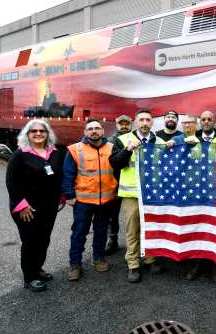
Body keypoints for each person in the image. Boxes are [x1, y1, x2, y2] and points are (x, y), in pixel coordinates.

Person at [6, 119, 65, 292]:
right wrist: (21, 205)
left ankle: (37, 268)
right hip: (26, 207)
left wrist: (61, 197)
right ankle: (30, 277)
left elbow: (59, 177)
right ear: (28, 134)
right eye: (34, 131)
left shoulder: (55, 153)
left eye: (42, 131)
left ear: (47, 134)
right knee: (31, 241)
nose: (38, 133)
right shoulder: (20, 154)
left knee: (44, 239)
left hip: (49, 206)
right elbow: (11, 182)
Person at [109, 109, 164, 283]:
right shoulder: (123, 139)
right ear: (136, 121)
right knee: (133, 229)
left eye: (148, 120)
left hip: (151, 194)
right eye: (141, 120)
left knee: (150, 227)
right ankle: (133, 264)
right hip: (131, 193)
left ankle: (150, 259)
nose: (145, 123)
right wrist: (127, 150)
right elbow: (115, 163)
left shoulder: (160, 142)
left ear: (152, 122)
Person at [61, 119, 118, 281]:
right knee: (79, 233)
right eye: (90, 129)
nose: (94, 131)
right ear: (85, 132)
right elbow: (68, 175)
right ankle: (75, 264)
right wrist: (69, 196)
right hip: (82, 202)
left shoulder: (112, 148)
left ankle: (98, 258)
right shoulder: (75, 149)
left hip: (106, 200)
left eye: (97, 128)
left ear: (103, 131)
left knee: (101, 232)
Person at [184, 110, 216, 282]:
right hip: (196, 192)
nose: (206, 122)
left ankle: (215, 266)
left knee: (215, 228)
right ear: (199, 122)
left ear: (215, 121)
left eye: (209, 119)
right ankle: (197, 264)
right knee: (198, 227)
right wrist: (180, 143)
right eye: (203, 119)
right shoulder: (190, 140)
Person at [105, 114, 132, 255]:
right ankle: (113, 239)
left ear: (131, 124)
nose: (124, 126)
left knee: (132, 215)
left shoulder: (135, 139)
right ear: (117, 125)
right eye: (121, 123)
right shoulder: (110, 142)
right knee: (112, 214)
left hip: (130, 183)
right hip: (114, 182)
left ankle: (135, 242)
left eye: (126, 123)